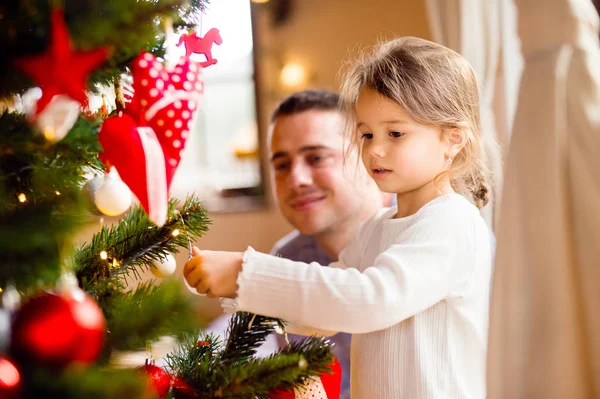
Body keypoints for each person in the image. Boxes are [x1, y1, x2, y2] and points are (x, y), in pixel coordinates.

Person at [184, 37, 494, 398]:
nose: (375, 149)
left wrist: (245, 272)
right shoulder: (375, 230)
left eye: (395, 133)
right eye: (366, 134)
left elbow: (370, 300)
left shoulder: (452, 222)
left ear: (453, 139)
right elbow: (327, 309)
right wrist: (242, 290)